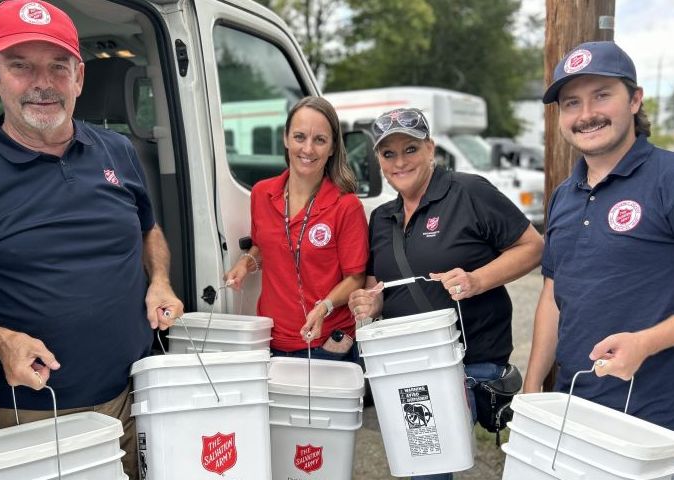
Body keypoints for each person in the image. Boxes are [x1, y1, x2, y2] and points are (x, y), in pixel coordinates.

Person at [0, 1, 183, 477]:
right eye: (21, 66)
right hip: (39, 408)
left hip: (139, 390)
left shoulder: (117, 149)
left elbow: (148, 228)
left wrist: (159, 279)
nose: (42, 83)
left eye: (58, 67)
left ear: (78, 78)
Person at [347, 107, 543, 479]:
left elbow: (533, 247)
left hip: (465, 364)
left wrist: (477, 280)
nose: (399, 162)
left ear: (431, 149)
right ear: (378, 161)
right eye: (388, 154)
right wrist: (371, 302)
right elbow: (379, 287)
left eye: (410, 149)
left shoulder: (468, 192)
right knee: (421, 462)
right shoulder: (381, 218)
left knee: (428, 466)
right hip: (405, 365)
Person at [523, 41, 674, 430]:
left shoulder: (667, 178)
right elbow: (553, 297)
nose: (586, 115)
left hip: (656, 418)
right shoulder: (563, 195)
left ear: (635, 100)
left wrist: (646, 343)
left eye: (601, 96)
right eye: (571, 103)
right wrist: (533, 382)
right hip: (576, 406)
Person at [225, 96, 368, 361]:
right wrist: (245, 262)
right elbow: (264, 246)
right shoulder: (261, 193)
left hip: (327, 344)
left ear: (333, 147)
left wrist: (324, 307)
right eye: (300, 137)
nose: (308, 149)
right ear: (286, 138)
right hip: (270, 340)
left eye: (320, 140)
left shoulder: (346, 206)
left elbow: (356, 278)